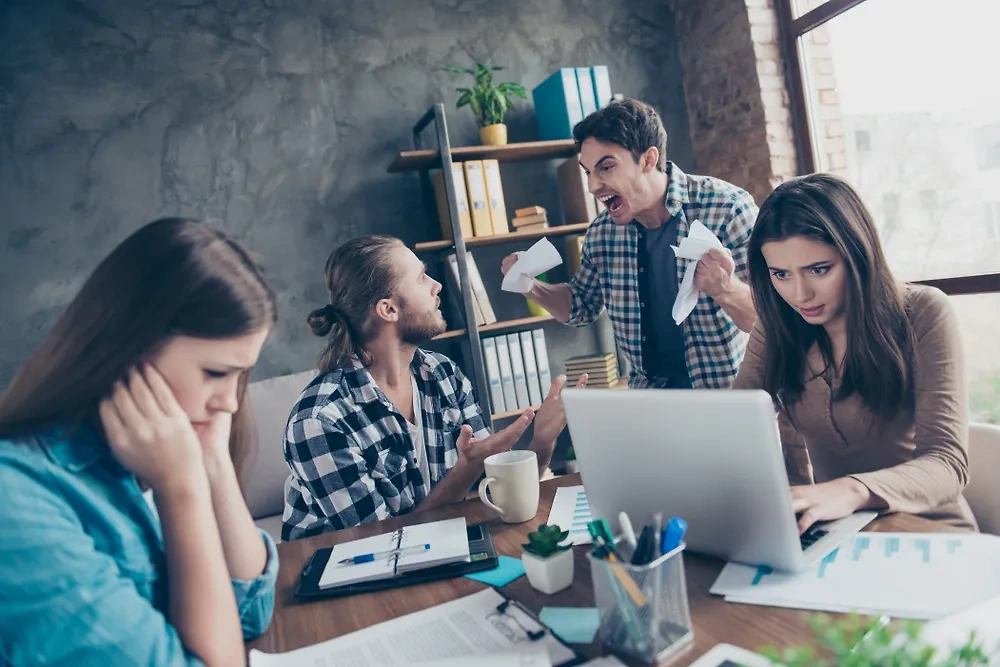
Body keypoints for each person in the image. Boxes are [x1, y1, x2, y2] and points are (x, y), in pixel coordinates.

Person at [0, 218, 279, 666]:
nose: (229, 402)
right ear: (128, 352)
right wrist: (182, 488)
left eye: (241, 375)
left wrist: (213, 464)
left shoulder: (124, 462)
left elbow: (249, 608)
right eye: (216, 373)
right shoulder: (16, 501)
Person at [282, 235, 584, 540]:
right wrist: (466, 469)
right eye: (421, 278)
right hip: (341, 572)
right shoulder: (319, 422)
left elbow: (497, 490)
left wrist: (543, 441)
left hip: (432, 547)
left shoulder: (442, 375)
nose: (436, 285)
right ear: (388, 309)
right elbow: (381, 542)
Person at [733, 173, 975, 533]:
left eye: (819, 270)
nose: (800, 294)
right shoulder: (778, 324)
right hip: (841, 532)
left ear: (858, 255)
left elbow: (947, 463)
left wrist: (853, 489)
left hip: (928, 529)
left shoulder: (923, 313)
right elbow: (736, 422)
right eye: (781, 274)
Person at [501, 98, 758, 389]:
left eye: (606, 167)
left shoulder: (727, 208)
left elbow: (771, 324)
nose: (592, 186)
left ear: (648, 159)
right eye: (588, 172)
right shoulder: (602, 234)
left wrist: (725, 288)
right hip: (650, 405)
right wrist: (529, 284)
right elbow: (580, 306)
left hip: (729, 399)